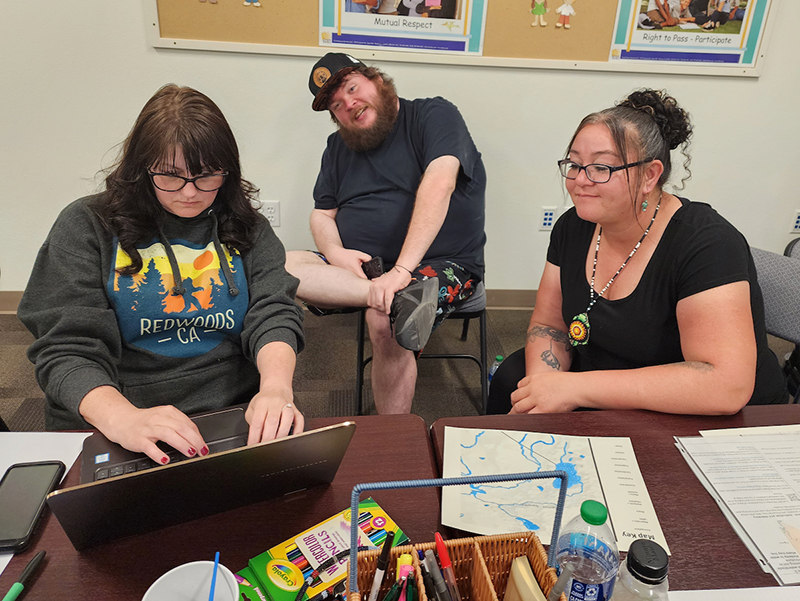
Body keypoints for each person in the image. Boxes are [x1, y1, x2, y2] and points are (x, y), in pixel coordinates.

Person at [18, 85, 305, 464]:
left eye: (206, 176)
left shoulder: (247, 227)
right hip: (118, 419)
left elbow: (274, 313)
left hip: (230, 413)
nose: (190, 192)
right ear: (141, 169)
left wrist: (276, 388)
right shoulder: (87, 225)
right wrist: (122, 418)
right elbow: (67, 348)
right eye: (170, 176)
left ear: (228, 172)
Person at [487, 89, 787, 415]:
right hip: (604, 372)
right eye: (574, 164)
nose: (579, 180)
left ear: (649, 175)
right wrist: (544, 387)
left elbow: (724, 385)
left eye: (601, 167)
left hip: (700, 408)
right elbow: (550, 323)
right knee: (514, 381)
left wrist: (573, 388)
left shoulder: (708, 243)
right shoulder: (573, 226)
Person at [286, 53, 486, 414]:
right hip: (364, 270)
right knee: (281, 265)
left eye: (351, 87)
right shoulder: (337, 147)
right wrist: (334, 252)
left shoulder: (432, 115)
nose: (349, 104)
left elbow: (440, 182)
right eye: (337, 105)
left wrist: (401, 271)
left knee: (381, 319)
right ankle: (390, 298)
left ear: (376, 79)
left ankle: (391, 438)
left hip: (441, 263)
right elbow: (322, 213)